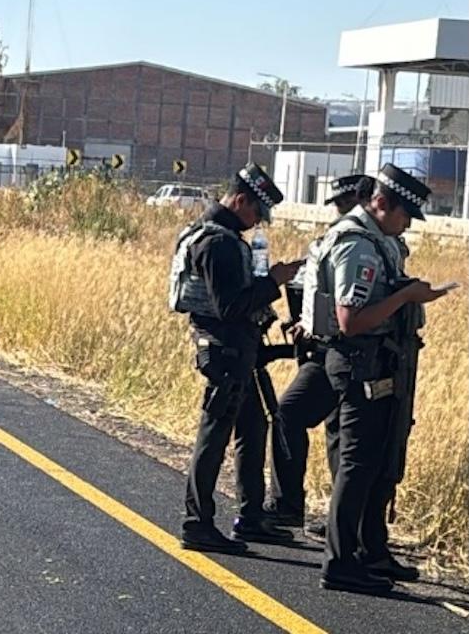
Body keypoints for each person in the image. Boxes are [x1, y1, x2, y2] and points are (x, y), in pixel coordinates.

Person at [310, 164, 450, 594]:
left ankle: (370, 551)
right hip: (357, 362)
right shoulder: (357, 245)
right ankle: (340, 562)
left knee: (374, 459)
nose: (407, 224)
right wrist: (407, 296)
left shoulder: (379, 239)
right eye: (404, 215)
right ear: (381, 204)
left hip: (376, 362)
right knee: (356, 463)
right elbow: (350, 320)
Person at [171, 163, 303, 554]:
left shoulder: (221, 235)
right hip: (225, 349)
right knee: (213, 437)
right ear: (241, 200)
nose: (258, 221)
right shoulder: (219, 243)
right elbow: (229, 307)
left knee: (253, 429)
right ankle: (197, 522)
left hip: (235, 350)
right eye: (257, 212)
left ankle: (250, 516)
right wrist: (274, 282)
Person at [262, 174, 374, 530]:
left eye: (344, 204)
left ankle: (308, 512)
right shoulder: (348, 239)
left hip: (344, 351)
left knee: (308, 422)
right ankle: (320, 513)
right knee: (330, 429)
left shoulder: (360, 243)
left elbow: (352, 304)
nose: (339, 212)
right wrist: (306, 325)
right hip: (330, 348)